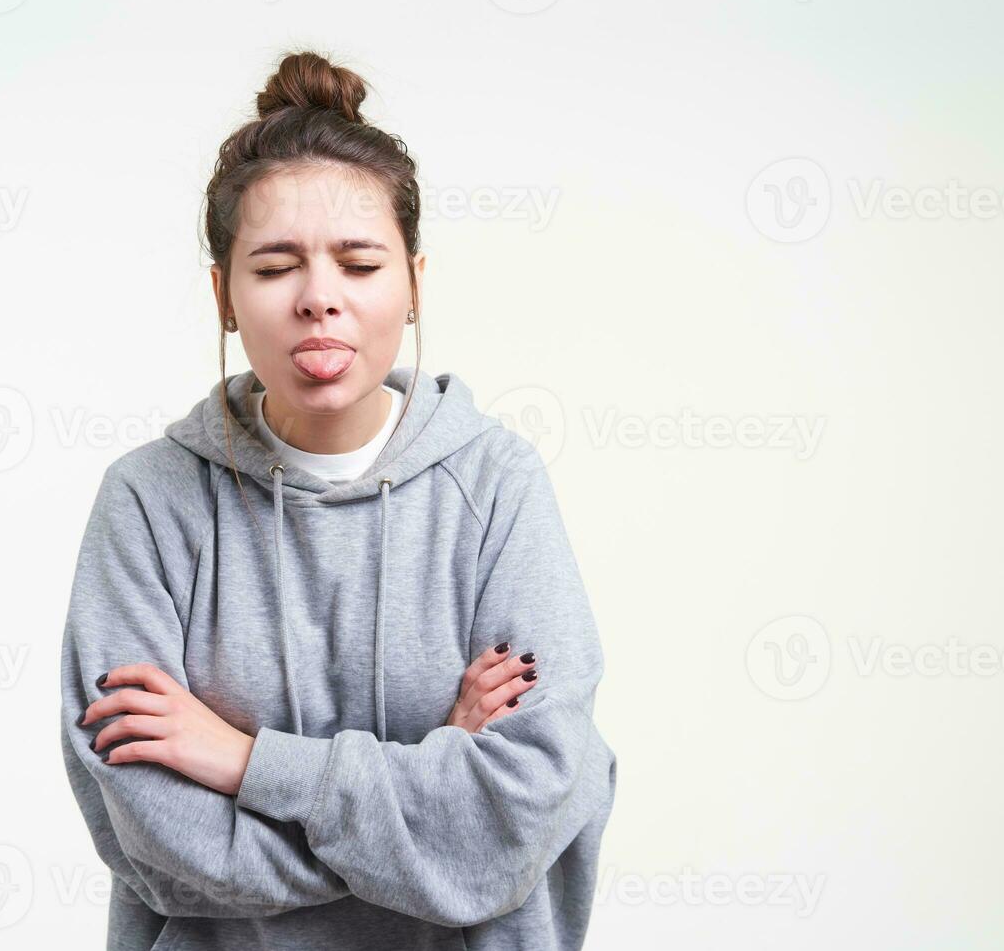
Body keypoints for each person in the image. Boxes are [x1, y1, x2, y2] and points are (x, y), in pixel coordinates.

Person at [60, 48, 617, 951]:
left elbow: (517, 824)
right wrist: (429, 806)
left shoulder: (497, 487)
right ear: (224, 297)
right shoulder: (149, 503)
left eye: (359, 264)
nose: (320, 300)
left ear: (414, 284)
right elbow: (157, 848)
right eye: (276, 267)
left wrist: (244, 762)